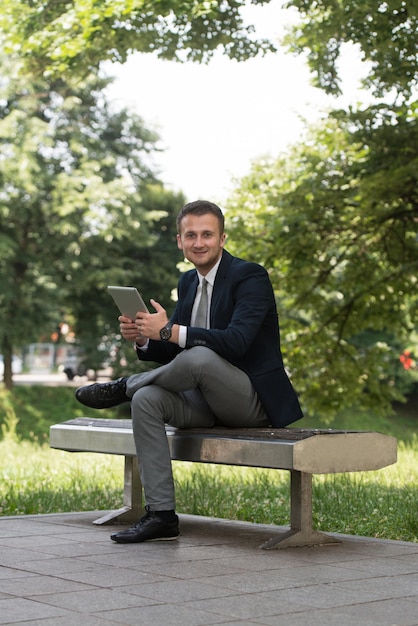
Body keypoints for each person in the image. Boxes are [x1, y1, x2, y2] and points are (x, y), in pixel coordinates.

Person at [75, 200, 303, 543]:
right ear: (180, 242)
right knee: (148, 399)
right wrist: (146, 339)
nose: (199, 242)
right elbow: (172, 348)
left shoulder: (249, 276)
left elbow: (236, 342)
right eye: (191, 235)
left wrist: (169, 330)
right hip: (203, 400)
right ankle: (162, 515)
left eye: (207, 234)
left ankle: (124, 386)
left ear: (222, 238)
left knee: (201, 357)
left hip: (251, 402)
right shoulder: (188, 282)